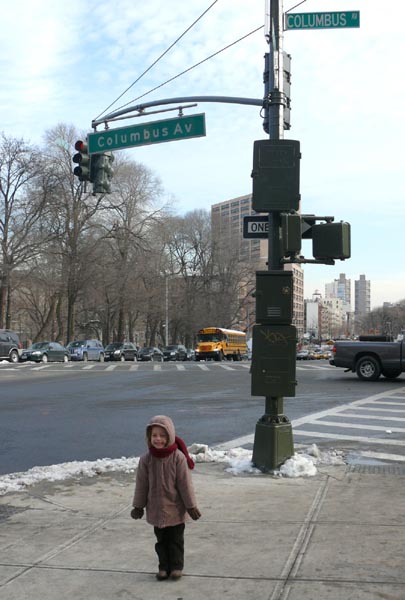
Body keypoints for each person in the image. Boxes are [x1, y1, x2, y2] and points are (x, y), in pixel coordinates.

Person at [131, 415, 201, 581]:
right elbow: (142, 485)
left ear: (169, 436)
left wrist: (191, 506)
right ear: (149, 437)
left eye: (162, 435)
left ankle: (176, 567)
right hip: (156, 510)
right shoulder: (146, 459)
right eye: (154, 435)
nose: (158, 439)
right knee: (161, 541)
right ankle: (163, 567)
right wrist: (138, 506)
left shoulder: (178, 457)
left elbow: (185, 484)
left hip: (175, 509)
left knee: (175, 540)